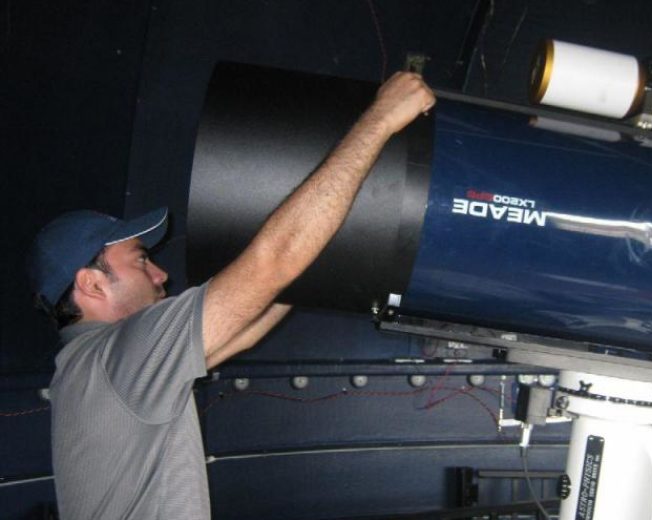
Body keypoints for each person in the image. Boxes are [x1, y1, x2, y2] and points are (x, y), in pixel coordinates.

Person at [27, 71, 435, 519]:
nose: (161, 274)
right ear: (92, 283)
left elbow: (243, 327)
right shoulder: (119, 355)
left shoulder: (93, 369)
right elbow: (272, 264)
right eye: (141, 260)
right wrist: (381, 119)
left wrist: (315, 249)